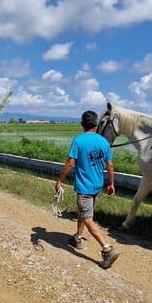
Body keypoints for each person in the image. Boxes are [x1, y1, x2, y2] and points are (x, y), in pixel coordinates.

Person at [55, 110, 119, 269]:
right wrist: (111, 183)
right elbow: (110, 165)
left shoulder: (79, 140)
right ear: (96, 124)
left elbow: (70, 163)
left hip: (85, 186)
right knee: (83, 212)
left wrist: (59, 181)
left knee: (87, 217)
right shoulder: (103, 141)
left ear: (82, 123)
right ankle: (77, 237)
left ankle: (107, 249)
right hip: (97, 185)